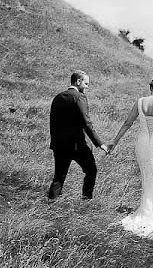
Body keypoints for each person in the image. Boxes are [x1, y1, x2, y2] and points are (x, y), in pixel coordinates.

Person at [108, 76, 153, 238]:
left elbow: (127, 123)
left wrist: (114, 141)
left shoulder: (140, 102)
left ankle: (146, 210)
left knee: (148, 179)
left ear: (151, 87)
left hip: (142, 145)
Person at [47, 70, 109, 202]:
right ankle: (86, 200)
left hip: (59, 145)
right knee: (91, 170)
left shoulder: (57, 97)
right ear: (78, 81)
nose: (87, 87)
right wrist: (100, 143)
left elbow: (53, 123)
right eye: (86, 83)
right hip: (77, 145)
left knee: (59, 176)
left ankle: (51, 203)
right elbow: (87, 123)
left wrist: (55, 142)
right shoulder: (79, 97)